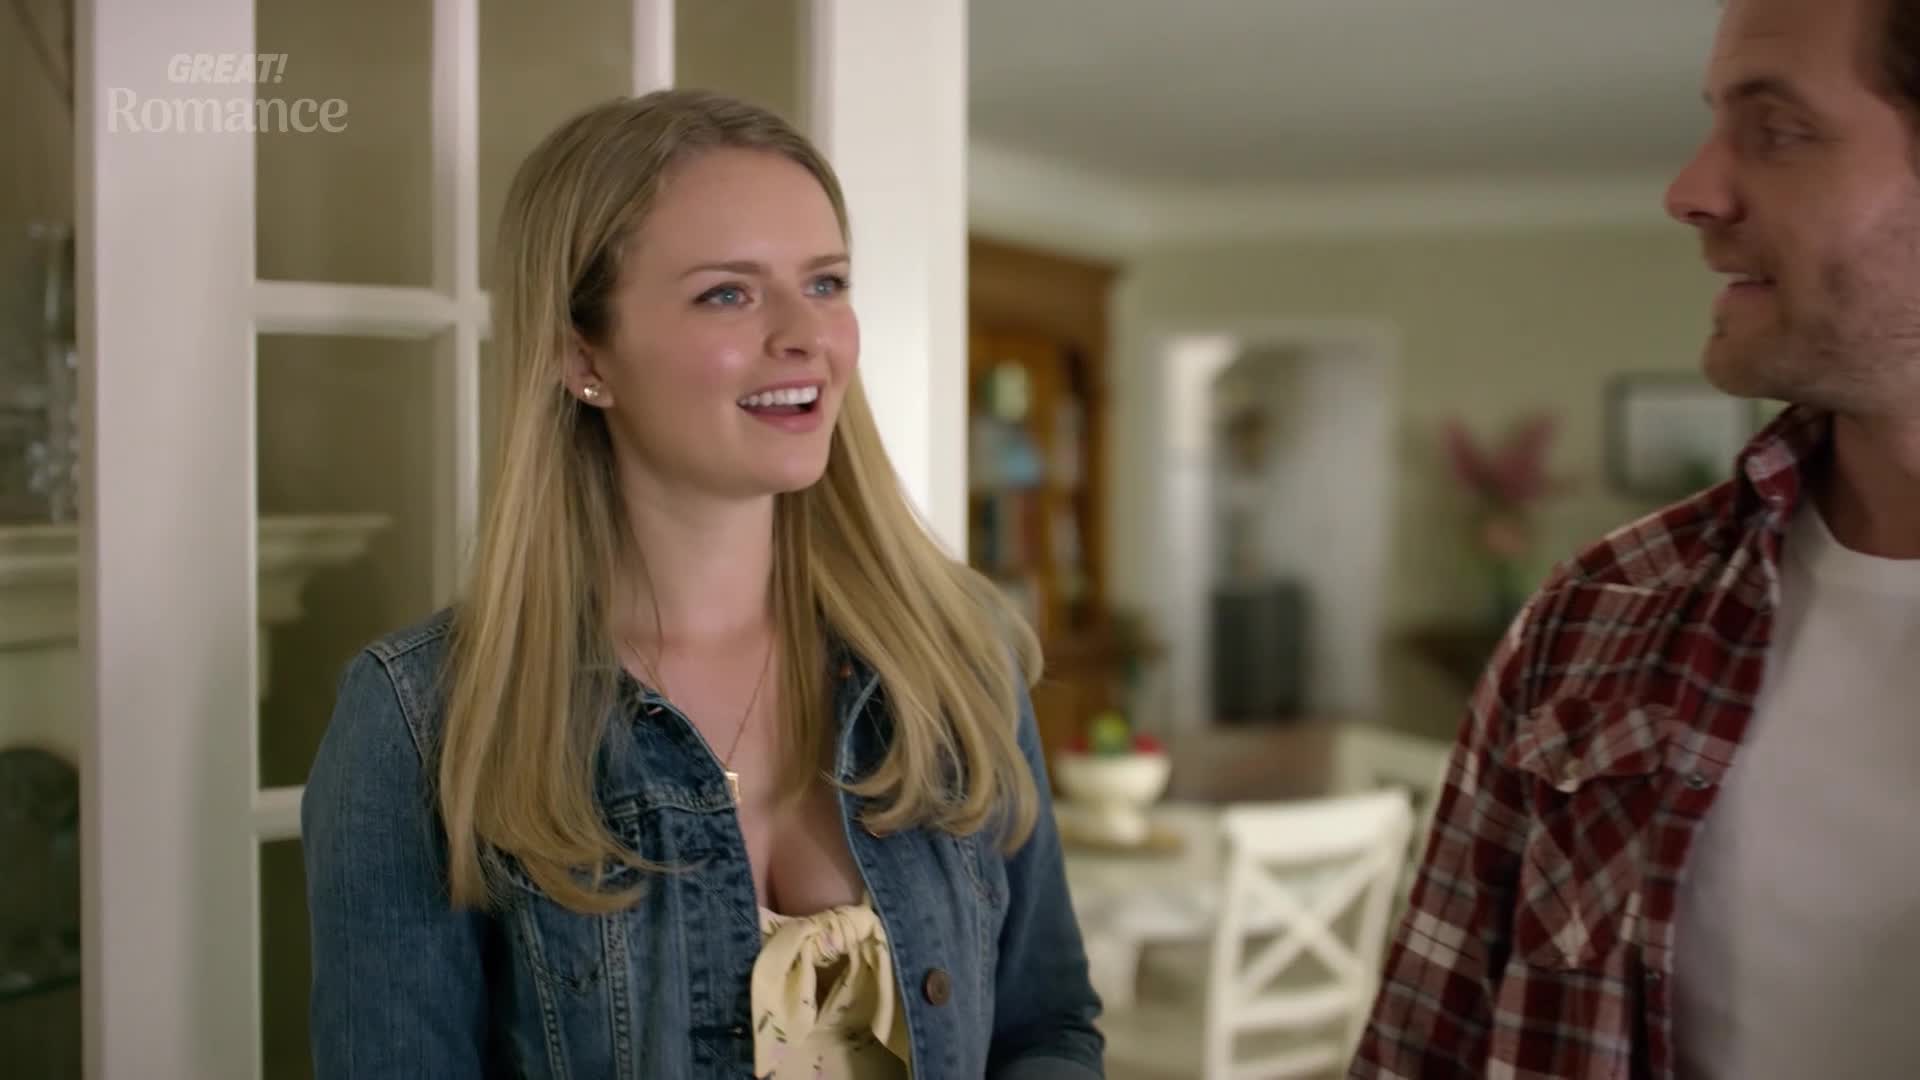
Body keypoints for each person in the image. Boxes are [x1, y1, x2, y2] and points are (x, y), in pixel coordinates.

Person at [301, 88, 1104, 1079]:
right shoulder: (424, 719)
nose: (805, 335)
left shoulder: (955, 651)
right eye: (729, 293)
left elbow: (1047, 1027)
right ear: (583, 355)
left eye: (825, 282)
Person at [1349, 0, 1920, 1076]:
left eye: (1778, 130)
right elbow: (1419, 1052)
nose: (1689, 189)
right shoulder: (1595, 618)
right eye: (1715, 122)